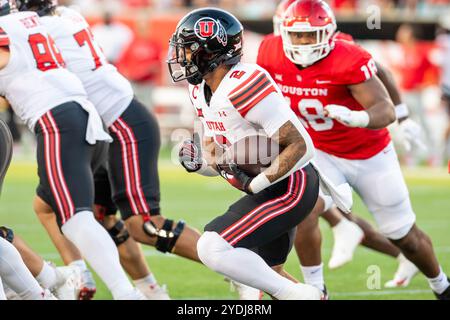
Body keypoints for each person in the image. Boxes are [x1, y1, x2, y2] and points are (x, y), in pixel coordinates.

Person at [258, 0, 450, 299]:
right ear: (283, 31)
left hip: (369, 153)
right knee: (302, 207)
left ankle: (441, 285)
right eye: (298, 35)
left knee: (404, 235)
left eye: (312, 35)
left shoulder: (346, 56)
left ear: (330, 33)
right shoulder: (269, 51)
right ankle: (317, 289)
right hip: (318, 150)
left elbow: (382, 107)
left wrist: (364, 117)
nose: (304, 41)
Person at [169, 7, 332, 300]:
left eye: (189, 49)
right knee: (268, 275)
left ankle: (299, 295)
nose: (182, 57)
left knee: (212, 246)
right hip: (271, 187)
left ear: (211, 50)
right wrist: (202, 164)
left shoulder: (245, 82)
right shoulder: (200, 91)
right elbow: (219, 157)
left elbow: (301, 145)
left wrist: (253, 185)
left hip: (291, 185)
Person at [0, 0, 143, 300]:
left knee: (76, 219)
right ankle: (66, 279)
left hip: (56, 120)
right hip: (83, 114)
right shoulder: (34, 24)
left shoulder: (8, 28)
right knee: (52, 207)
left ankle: (125, 293)